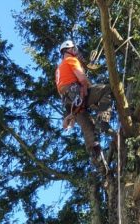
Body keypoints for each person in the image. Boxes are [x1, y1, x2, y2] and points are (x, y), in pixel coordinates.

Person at [55, 40, 112, 174]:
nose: (76, 51)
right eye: (74, 49)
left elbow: (63, 88)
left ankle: (98, 163)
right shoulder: (71, 61)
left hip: (70, 104)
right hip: (76, 96)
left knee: (88, 129)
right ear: (68, 50)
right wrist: (89, 89)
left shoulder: (59, 69)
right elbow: (82, 79)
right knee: (106, 89)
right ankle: (103, 119)